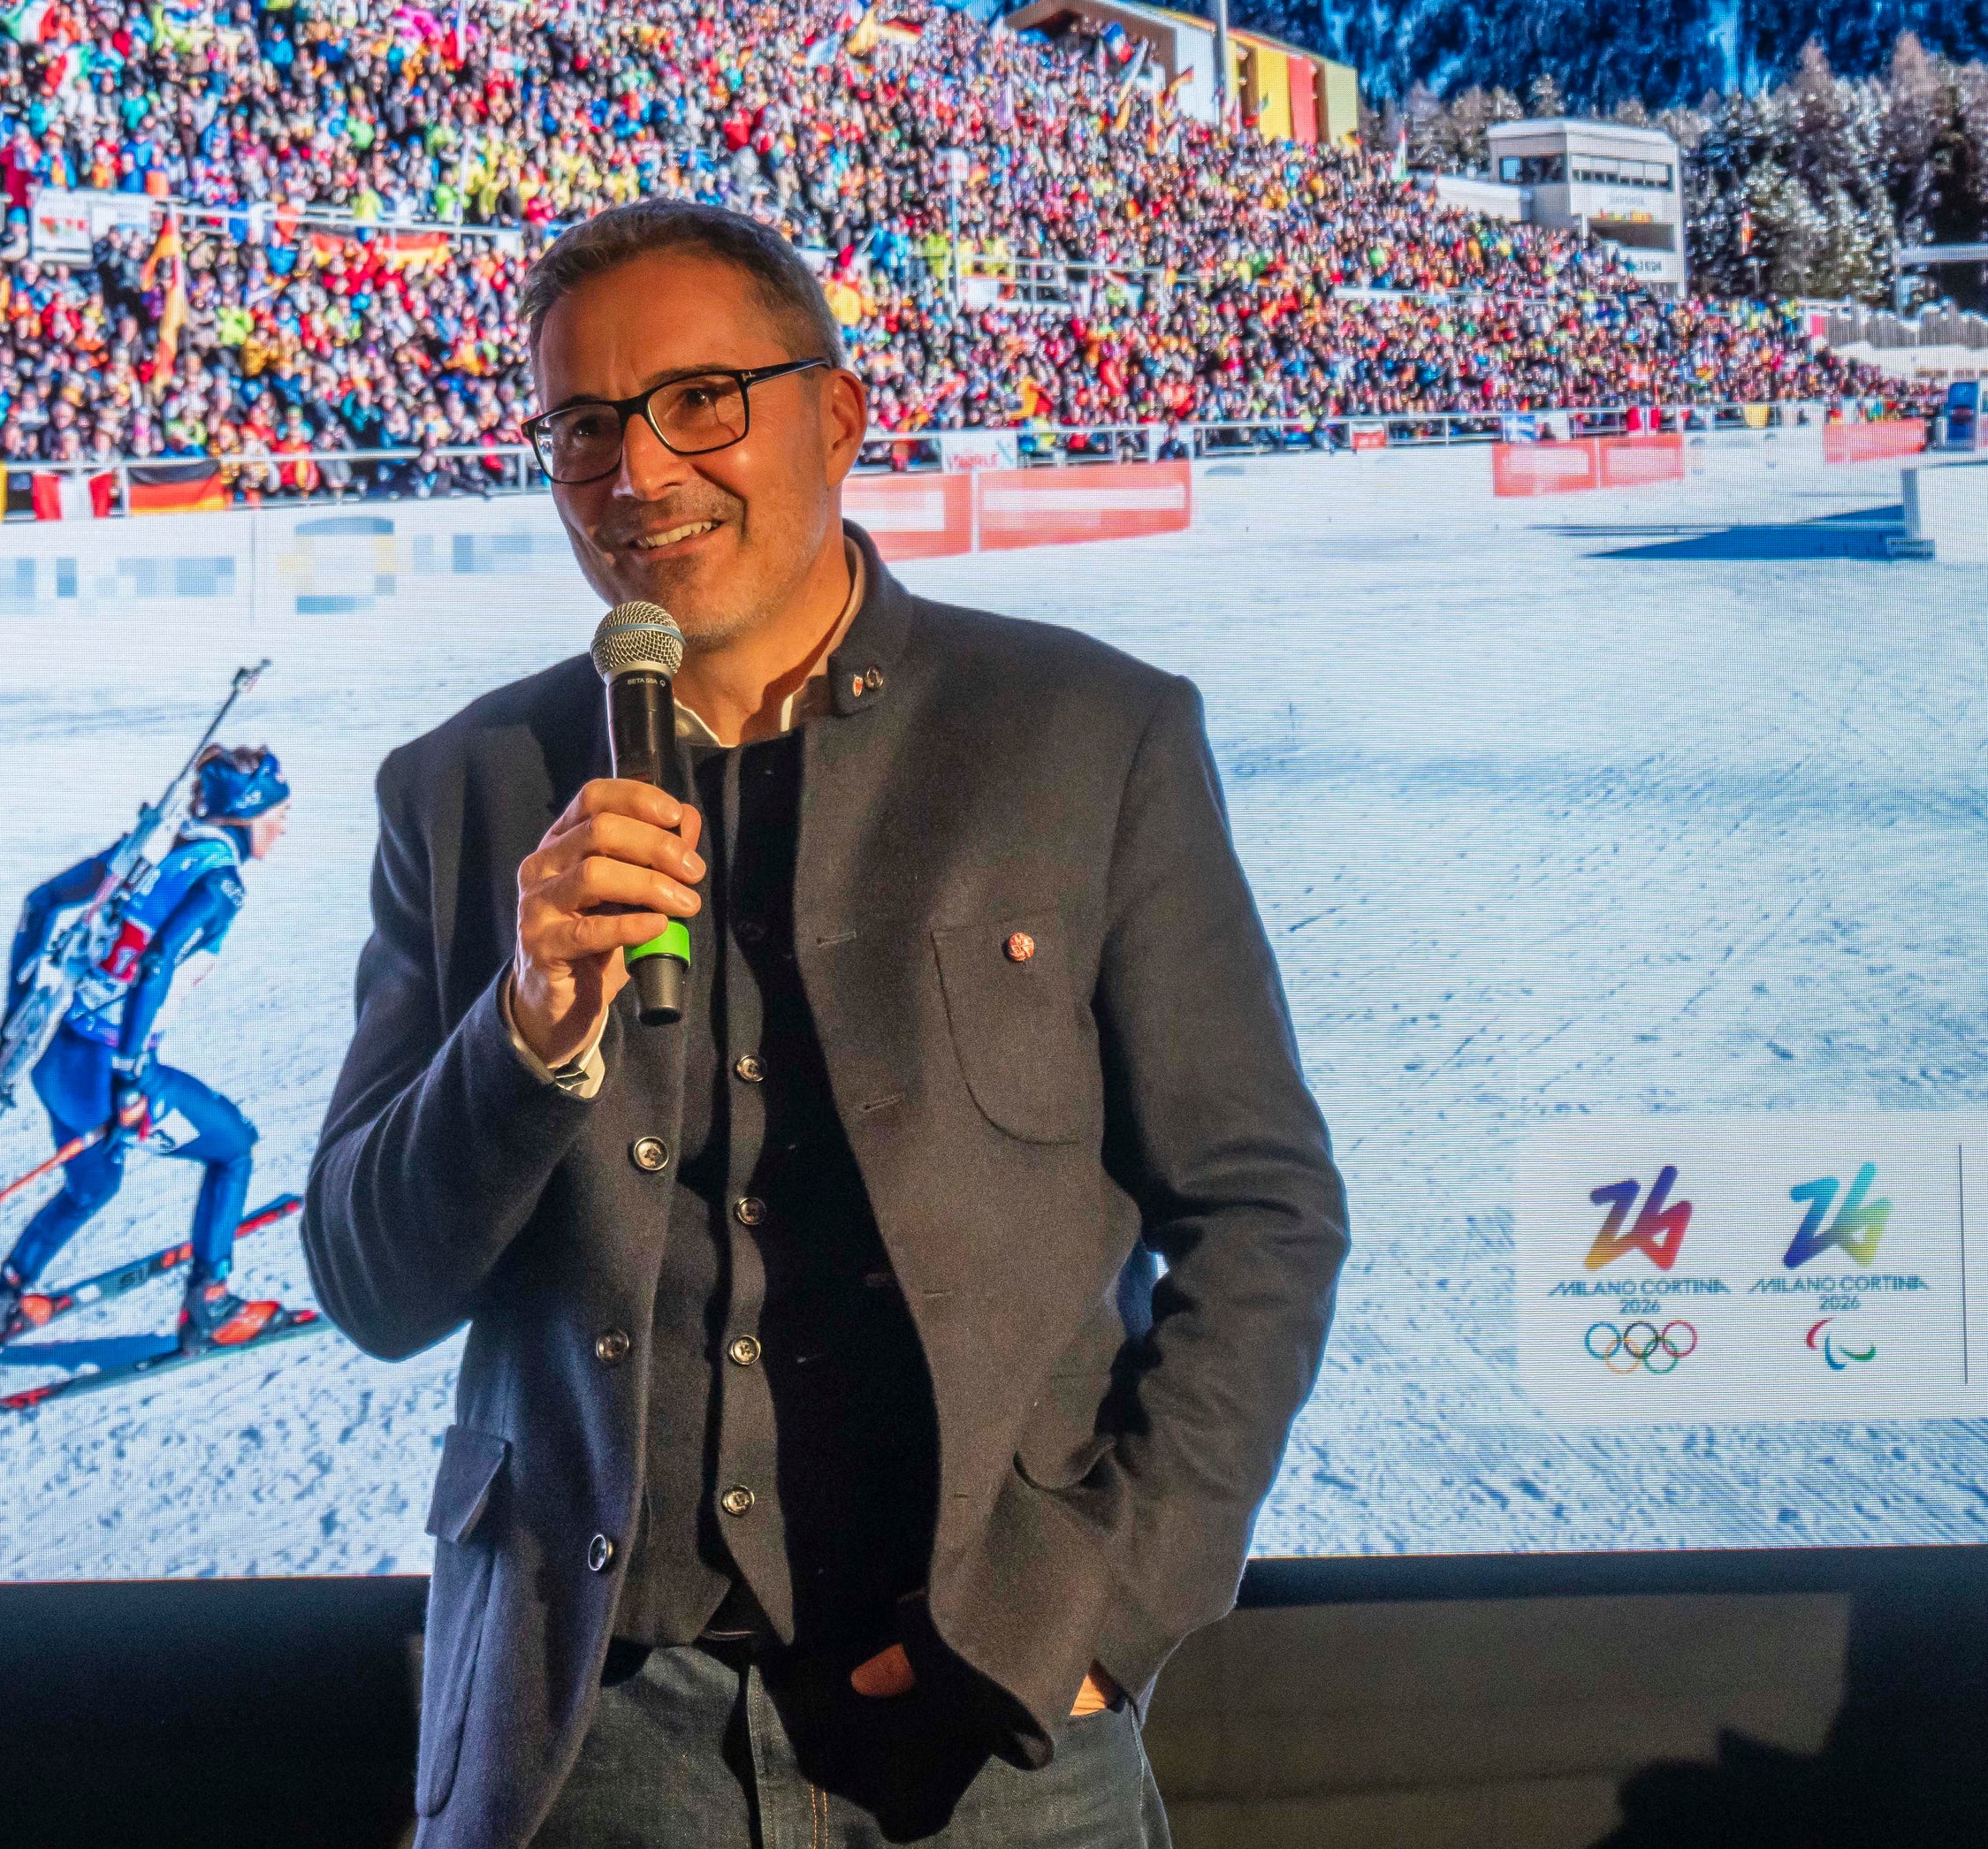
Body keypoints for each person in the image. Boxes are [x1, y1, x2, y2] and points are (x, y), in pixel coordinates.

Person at [303, 201, 1350, 1849]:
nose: (636, 473)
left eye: (697, 402)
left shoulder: (1088, 736)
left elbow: (1260, 1210)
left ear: (838, 415)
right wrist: (522, 1033)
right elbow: (368, 1284)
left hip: (997, 1741)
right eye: (580, 424)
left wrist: (1107, 1614)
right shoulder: (458, 791)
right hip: (586, 1739)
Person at [0, 742, 297, 1359]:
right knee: (233, 1149)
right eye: (278, 814)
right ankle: (211, 1306)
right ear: (247, 814)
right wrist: (133, 1079)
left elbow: (40, 904)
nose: (284, 826)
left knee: (92, 1185)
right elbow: (158, 962)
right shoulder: (220, 884)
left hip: (58, 1061)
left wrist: (13, 1028)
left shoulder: (145, 851)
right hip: (109, 1076)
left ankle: (2, 1304)